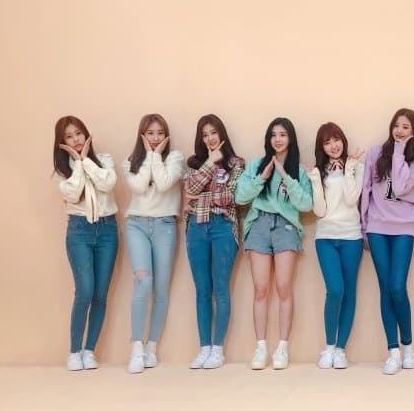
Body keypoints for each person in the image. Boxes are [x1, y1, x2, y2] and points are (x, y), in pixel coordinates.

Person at [237, 117, 314, 370]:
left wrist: (285, 176)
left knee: (283, 288)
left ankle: (282, 347)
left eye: (282, 134)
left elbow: (306, 204)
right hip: (259, 224)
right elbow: (240, 197)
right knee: (260, 289)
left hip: (286, 226)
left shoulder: (298, 170)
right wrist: (263, 177)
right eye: (273, 135)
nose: (277, 139)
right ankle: (260, 347)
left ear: (290, 138)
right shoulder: (256, 165)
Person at [361, 108, 414, 375]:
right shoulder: (375, 152)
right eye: (397, 125)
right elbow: (366, 189)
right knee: (385, 288)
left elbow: (398, 187)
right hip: (377, 227)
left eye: (405, 127)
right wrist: (364, 225)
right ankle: (393, 351)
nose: (399, 131)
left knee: (398, 286)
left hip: (404, 228)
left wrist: (399, 151)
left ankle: (408, 346)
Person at [54, 116, 118, 371]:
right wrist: (78, 164)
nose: (76, 139)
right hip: (79, 231)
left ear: (86, 134)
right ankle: (74, 352)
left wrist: (86, 160)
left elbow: (107, 183)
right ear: (62, 142)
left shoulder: (105, 160)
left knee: (100, 294)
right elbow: (73, 193)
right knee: (85, 291)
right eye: (69, 136)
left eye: (78, 133)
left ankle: (89, 351)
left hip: (108, 230)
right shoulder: (60, 171)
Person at [122, 114, 184, 373]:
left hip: (165, 226)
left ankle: (151, 347)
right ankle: (136, 348)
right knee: (143, 282)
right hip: (136, 225)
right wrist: (149, 156)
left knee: (161, 289)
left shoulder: (175, 158)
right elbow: (138, 187)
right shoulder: (129, 162)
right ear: (142, 135)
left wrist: (156, 156)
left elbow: (164, 183)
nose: (156, 137)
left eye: (160, 133)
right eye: (150, 133)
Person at [184, 114, 244, 369]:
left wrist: (200, 193)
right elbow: (190, 189)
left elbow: (230, 198)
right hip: (196, 228)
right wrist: (210, 163)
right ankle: (204, 348)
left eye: (213, 133)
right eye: (205, 134)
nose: (209, 138)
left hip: (223, 228)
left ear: (222, 134)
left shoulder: (236, 163)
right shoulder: (193, 163)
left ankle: (218, 350)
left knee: (221, 288)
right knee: (202, 290)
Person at [306, 122, 365, 369]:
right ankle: (329, 347)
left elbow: (352, 200)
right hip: (325, 237)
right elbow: (319, 211)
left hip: (351, 237)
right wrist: (315, 179)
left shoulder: (357, 167)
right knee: (335, 290)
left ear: (343, 140)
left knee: (349, 292)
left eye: (336, 139)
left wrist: (349, 170)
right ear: (322, 147)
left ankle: (341, 349)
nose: (333, 145)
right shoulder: (318, 172)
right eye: (327, 142)